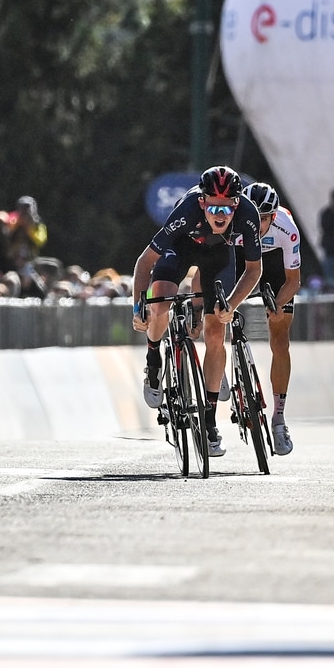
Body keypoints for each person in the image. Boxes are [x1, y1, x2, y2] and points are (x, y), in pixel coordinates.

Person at [132, 165, 262, 457]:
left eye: (227, 209)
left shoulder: (248, 215)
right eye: (214, 207)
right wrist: (139, 307)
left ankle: (209, 421)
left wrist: (232, 305)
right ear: (202, 202)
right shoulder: (187, 210)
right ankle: (154, 361)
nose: (220, 215)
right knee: (161, 303)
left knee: (216, 332)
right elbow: (144, 262)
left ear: (237, 204)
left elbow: (254, 270)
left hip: (218, 258)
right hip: (180, 249)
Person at [239, 182, 301, 456]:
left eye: (263, 219)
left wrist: (278, 305)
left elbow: (293, 281)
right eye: (253, 217)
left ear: (273, 217)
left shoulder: (287, 228)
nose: (258, 224)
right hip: (243, 264)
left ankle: (278, 417)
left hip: (275, 269)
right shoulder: (234, 222)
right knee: (216, 316)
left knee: (280, 340)